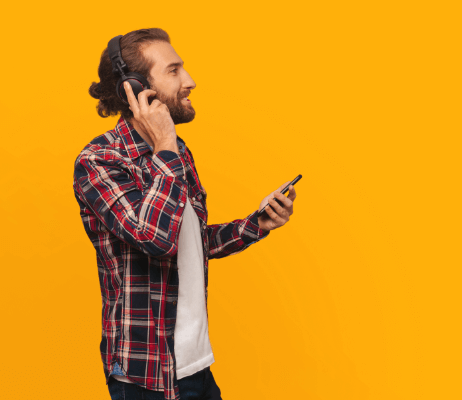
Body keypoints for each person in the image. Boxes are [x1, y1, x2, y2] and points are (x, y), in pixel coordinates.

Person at [73, 28, 296, 400]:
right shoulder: (100, 160)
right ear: (134, 88)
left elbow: (190, 243)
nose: (189, 81)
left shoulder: (176, 151)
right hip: (147, 375)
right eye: (173, 70)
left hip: (196, 366)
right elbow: (154, 239)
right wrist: (164, 144)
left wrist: (257, 224)